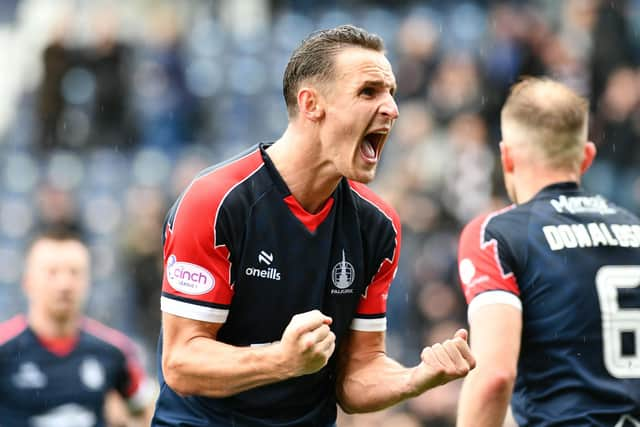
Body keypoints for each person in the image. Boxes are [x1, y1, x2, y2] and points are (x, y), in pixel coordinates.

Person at [153, 24, 475, 427]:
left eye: (392, 93)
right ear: (311, 104)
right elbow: (182, 362)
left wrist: (416, 378)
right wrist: (282, 361)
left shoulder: (379, 225)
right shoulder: (216, 202)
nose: (392, 108)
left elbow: (356, 376)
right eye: (369, 92)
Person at [456, 78, 640, 427]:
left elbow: (494, 376)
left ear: (506, 157)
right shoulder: (635, 229)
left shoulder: (496, 235)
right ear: (586, 158)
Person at [0, 228, 155, 426]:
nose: (65, 284)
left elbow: (148, 410)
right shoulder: (4, 348)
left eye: (75, 273)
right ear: (27, 282)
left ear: (88, 281)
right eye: (52, 272)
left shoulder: (113, 351)